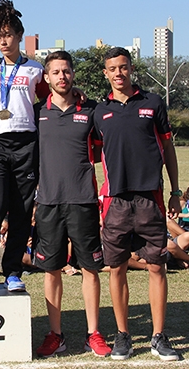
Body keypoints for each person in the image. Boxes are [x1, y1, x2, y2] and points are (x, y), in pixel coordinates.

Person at [93, 46, 181, 361]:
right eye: (112, 68)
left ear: (131, 69)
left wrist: (175, 190)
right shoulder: (98, 112)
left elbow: (168, 148)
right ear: (106, 73)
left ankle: (159, 336)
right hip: (115, 201)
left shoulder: (153, 103)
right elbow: (90, 155)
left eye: (123, 67)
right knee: (116, 268)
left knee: (157, 266)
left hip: (150, 197)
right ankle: (123, 336)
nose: (119, 73)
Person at [31, 51, 111, 358]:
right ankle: (56, 334)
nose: (62, 76)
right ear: (47, 78)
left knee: (90, 269)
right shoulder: (38, 112)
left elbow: (108, 150)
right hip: (49, 202)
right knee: (51, 270)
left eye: (66, 71)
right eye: (56, 72)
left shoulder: (91, 110)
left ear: (72, 75)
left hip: (83, 200)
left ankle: (94, 333)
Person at [0, 0, 52, 294]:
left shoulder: (34, 68)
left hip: (25, 143)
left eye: (8, 35)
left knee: (21, 209)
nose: (3, 41)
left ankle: (13, 271)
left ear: (19, 36)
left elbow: (48, 101)